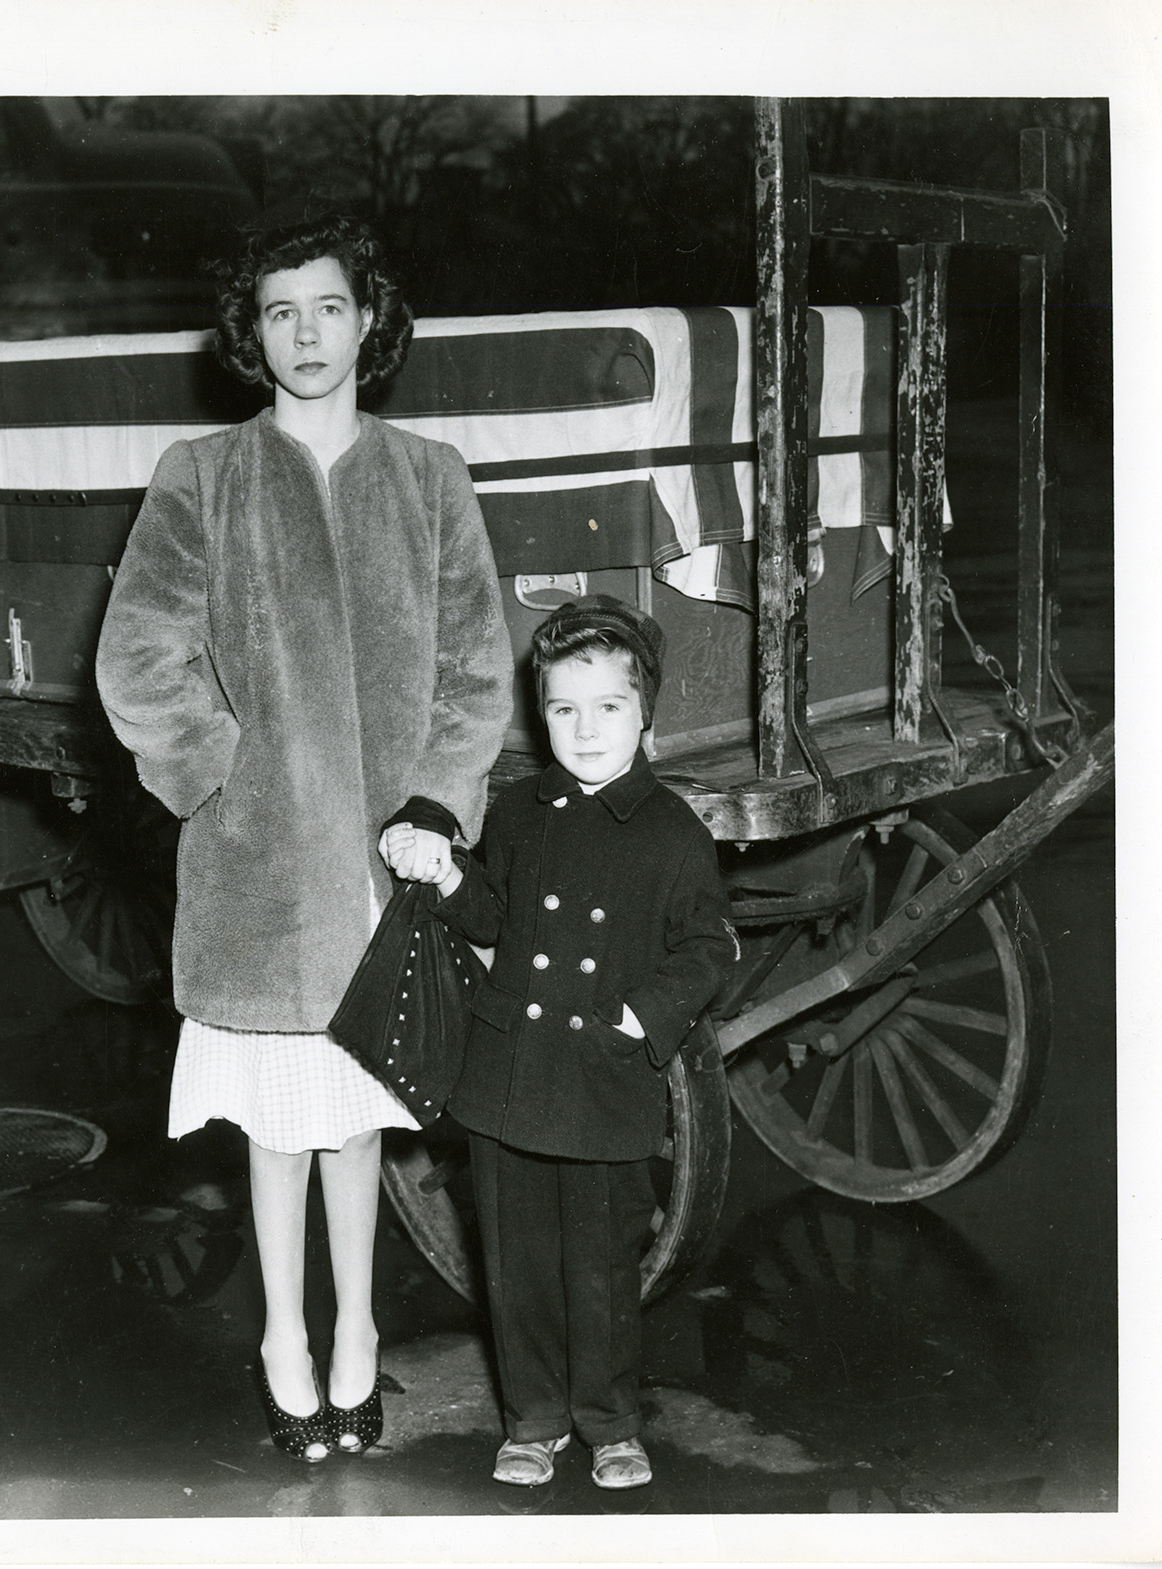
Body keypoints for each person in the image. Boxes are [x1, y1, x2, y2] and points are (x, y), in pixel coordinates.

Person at [96, 213, 512, 1460]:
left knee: (361, 1123)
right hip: (261, 864)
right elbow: (138, 655)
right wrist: (219, 775)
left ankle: (360, 1339)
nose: (307, 333)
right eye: (281, 312)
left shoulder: (429, 476)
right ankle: (284, 1335)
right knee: (279, 1125)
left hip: (393, 862)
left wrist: (438, 803)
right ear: (252, 333)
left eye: (329, 306)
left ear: (369, 318)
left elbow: (478, 671)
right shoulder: (204, 476)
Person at [386, 595, 737, 1490]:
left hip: (600, 1082)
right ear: (540, 714)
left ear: (644, 712)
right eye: (563, 708)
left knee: (602, 1269)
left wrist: (641, 1019)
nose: (586, 729)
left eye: (609, 707)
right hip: (510, 1082)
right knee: (518, 1268)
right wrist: (449, 871)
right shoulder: (519, 811)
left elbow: (707, 948)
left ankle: (611, 1422)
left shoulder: (672, 834)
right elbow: (495, 913)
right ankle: (533, 1420)